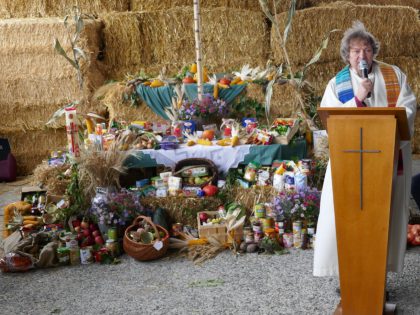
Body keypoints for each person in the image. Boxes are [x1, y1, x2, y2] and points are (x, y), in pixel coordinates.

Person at [313, 21, 417, 277]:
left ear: (374, 51)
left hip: (387, 161)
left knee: (383, 220)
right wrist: (357, 99)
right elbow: (330, 124)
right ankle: (349, 277)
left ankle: (377, 277)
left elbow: (409, 108)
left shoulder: (393, 75)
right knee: (346, 217)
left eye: (367, 49)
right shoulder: (337, 84)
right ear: (347, 55)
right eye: (356, 51)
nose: (362, 56)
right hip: (349, 164)